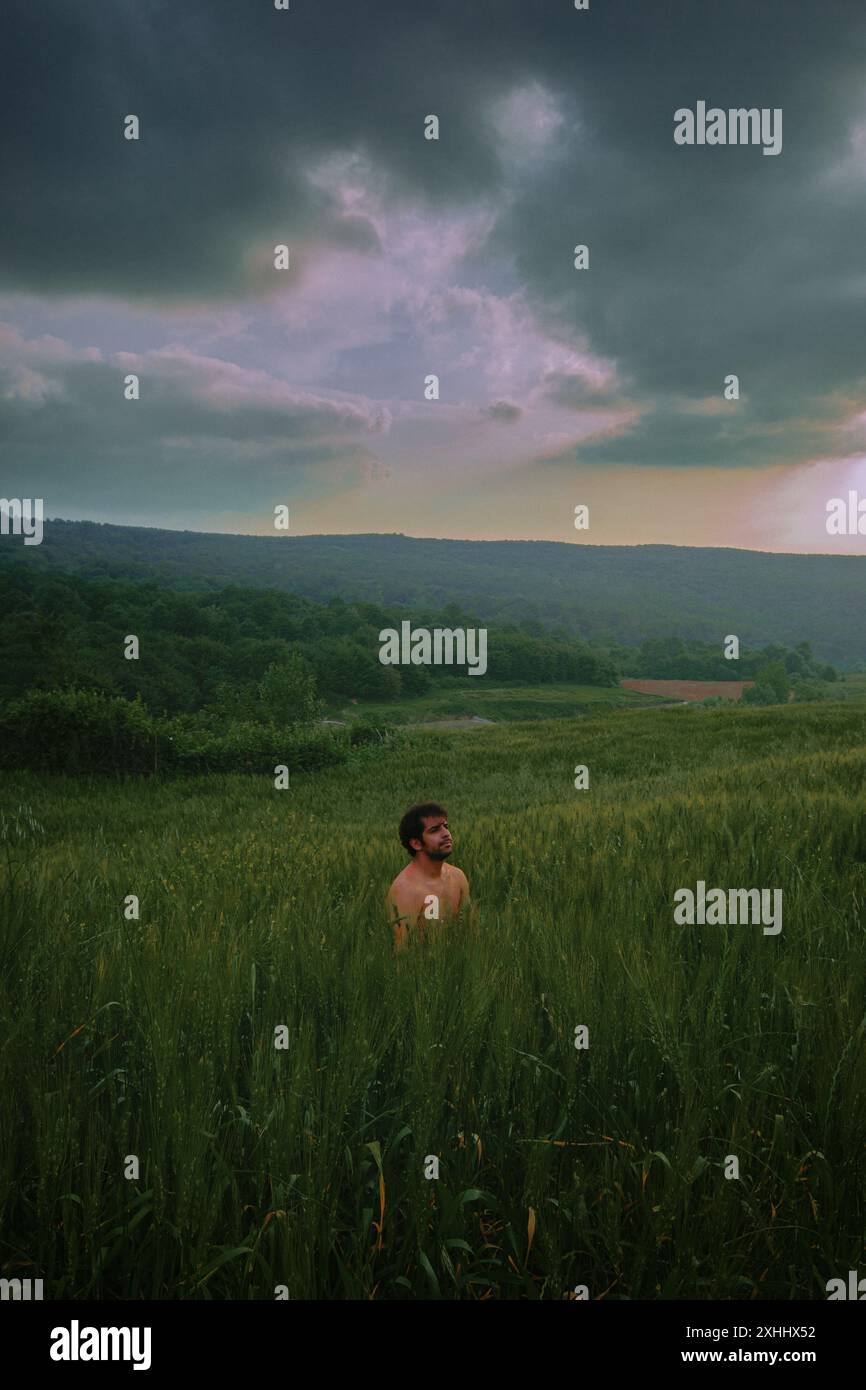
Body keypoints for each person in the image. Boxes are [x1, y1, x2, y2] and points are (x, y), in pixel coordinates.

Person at [386, 802, 470, 951]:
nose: (446, 833)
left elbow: (470, 932)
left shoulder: (458, 877)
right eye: (435, 830)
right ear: (416, 843)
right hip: (423, 971)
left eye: (446, 826)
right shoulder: (406, 890)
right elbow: (402, 956)